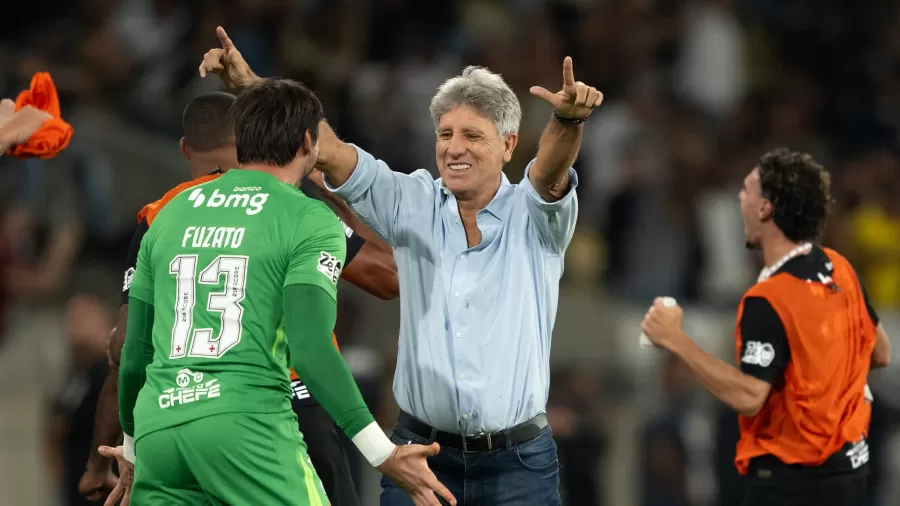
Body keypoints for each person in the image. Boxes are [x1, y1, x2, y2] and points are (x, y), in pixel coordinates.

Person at [200, 26, 602, 505]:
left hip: (517, 467)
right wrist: (252, 87)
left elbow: (550, 171)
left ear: (509, 145)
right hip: (420, 455)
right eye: (446, 134)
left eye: (473, 135)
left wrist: (566, 121)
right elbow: (325, 148)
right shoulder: (413, 200)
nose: (455, 148)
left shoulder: (534, 218)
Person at [102, 78, 454, 506]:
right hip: (247, 427)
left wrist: (133, 446)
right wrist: (384, 453)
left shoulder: (169, 212)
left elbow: (133, 351)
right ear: (309, 143)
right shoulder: (307, 217)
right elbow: (309, 350)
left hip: (160, 430)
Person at [640, 149, 893, 506]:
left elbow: (748, 397)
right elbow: (880, 353)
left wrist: (676, 340)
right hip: (848, 480)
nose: (740, 198)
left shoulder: (768, 299)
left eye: (747, 190)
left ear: (765, 209)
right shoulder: (840, 268)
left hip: (789, 487)